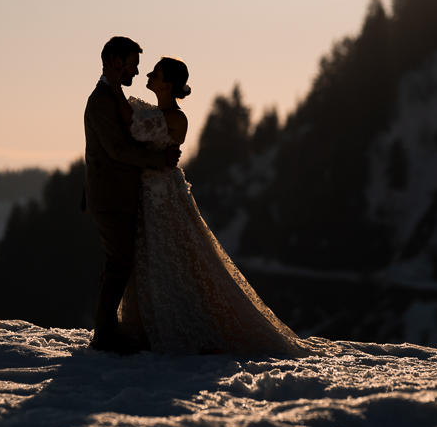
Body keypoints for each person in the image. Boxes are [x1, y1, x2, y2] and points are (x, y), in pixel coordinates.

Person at [105, 55, 314, 357]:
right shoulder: (154, 112)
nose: (148, 74)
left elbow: (133, 128)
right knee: (148, 257)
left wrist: (114, 88)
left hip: (162, 194)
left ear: (168, 84)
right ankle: (149, 325)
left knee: (170, 255)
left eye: (155, 73)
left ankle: (183, 325)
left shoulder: (176, 118)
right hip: (146, 192)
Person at [82, 37, 180, 352]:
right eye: (133, 65)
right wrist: (159, 160)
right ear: (115, 61)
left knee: (119, 263)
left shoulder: (114, 97)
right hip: (109, 196)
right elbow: (117, 149)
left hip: (121, 195)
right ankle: (104, 337)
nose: (137, 72)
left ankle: (106, 332)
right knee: (119, 263)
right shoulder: (101, 101)